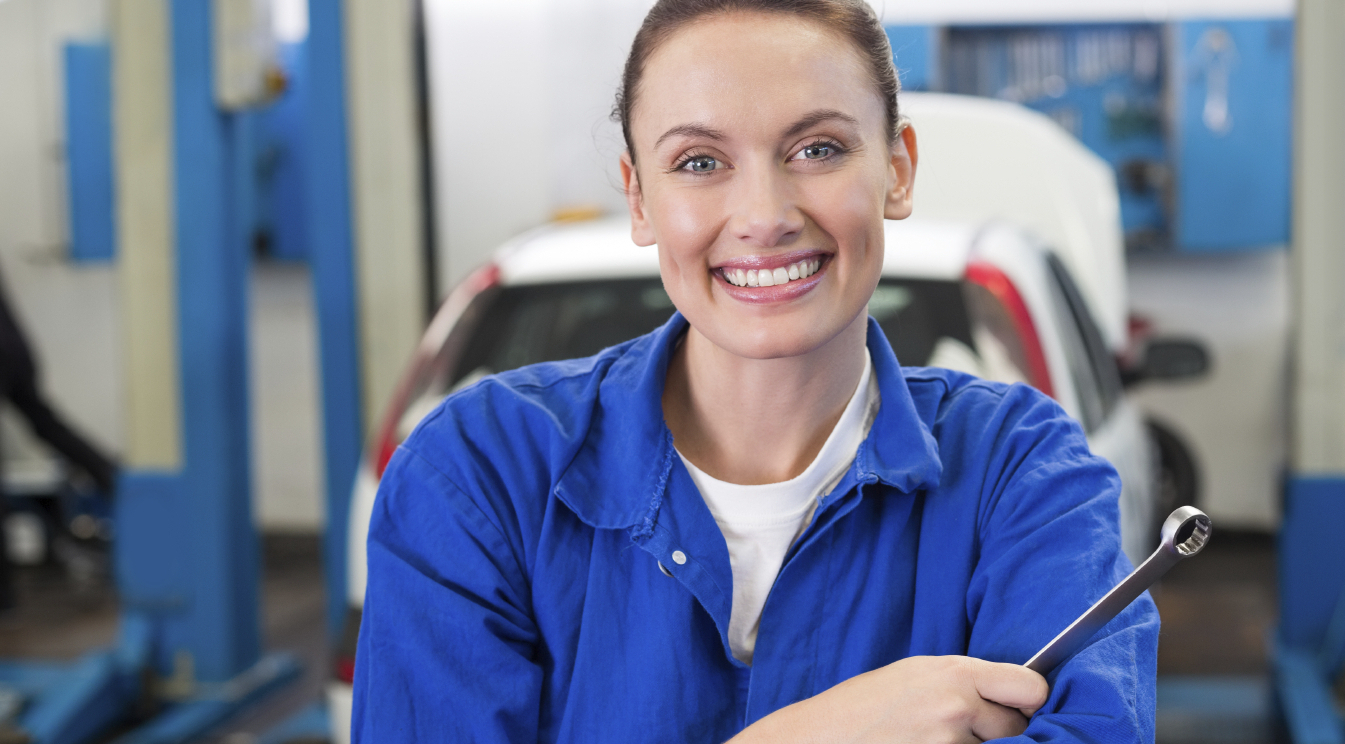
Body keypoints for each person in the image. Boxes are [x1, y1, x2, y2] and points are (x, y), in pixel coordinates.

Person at [351, 0, 1158, 741]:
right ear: (639, 198)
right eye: (700, 162)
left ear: (898, 169)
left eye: (818, 148)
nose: (766, 216)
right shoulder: (480, 473)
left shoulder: (1020, 475)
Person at [0, 266, 118, 611]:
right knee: (46, 423)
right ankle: (116, 480)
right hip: (16, 351)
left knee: (43, 423)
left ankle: (3, 599)